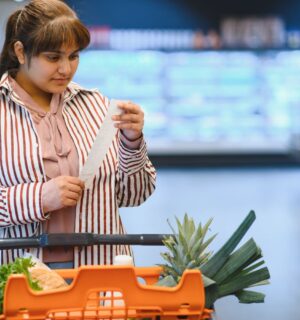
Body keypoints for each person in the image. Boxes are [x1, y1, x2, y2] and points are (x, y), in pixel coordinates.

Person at [0, 0, 156, 268]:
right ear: (21, 51)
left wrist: (132, 142)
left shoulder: (96, 106)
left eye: (73, 56)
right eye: (53, 57)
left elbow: (134, 194)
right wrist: (38, 198)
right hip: (21, 277)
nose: (66, 69)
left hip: (101, 272)